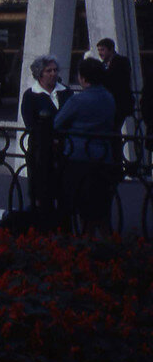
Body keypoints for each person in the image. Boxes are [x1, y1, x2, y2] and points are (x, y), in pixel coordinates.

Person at [54, 57, 121, 234]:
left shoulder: (78, 100)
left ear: (83, 78)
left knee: (78, 204)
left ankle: (81, 245)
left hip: (78, 157)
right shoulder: (109, 98)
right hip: (103, 156)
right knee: (100, 207)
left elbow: (57, 123)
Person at [20, 55, 71, 127]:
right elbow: (29, 123)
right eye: (49, 71)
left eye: (55, 70)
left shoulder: (67, 92)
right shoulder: (30, 95)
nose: (53, 74)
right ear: (39, 73)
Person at [96, 38, 134, 129]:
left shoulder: (121, 61)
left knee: (114, 129)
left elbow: (115, 81)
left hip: (119, 104)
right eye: (99, 50)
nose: (100, 53)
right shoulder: (102, 65)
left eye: (102, 50)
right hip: (109, 104)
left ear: (111, 49)